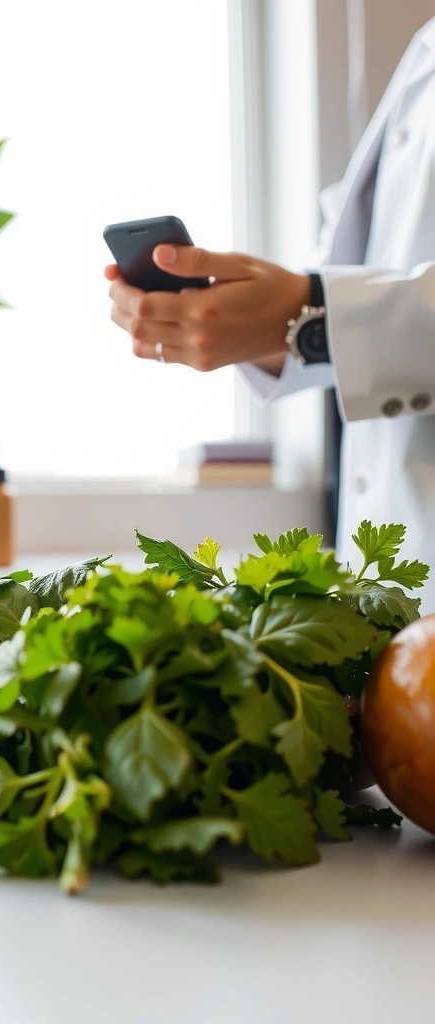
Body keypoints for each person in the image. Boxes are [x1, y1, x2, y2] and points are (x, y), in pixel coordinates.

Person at [106, 19, 435, 608]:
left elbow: (341, 307)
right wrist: (260, 328)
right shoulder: (423, 51)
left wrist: (313, 312)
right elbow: (359, 280)